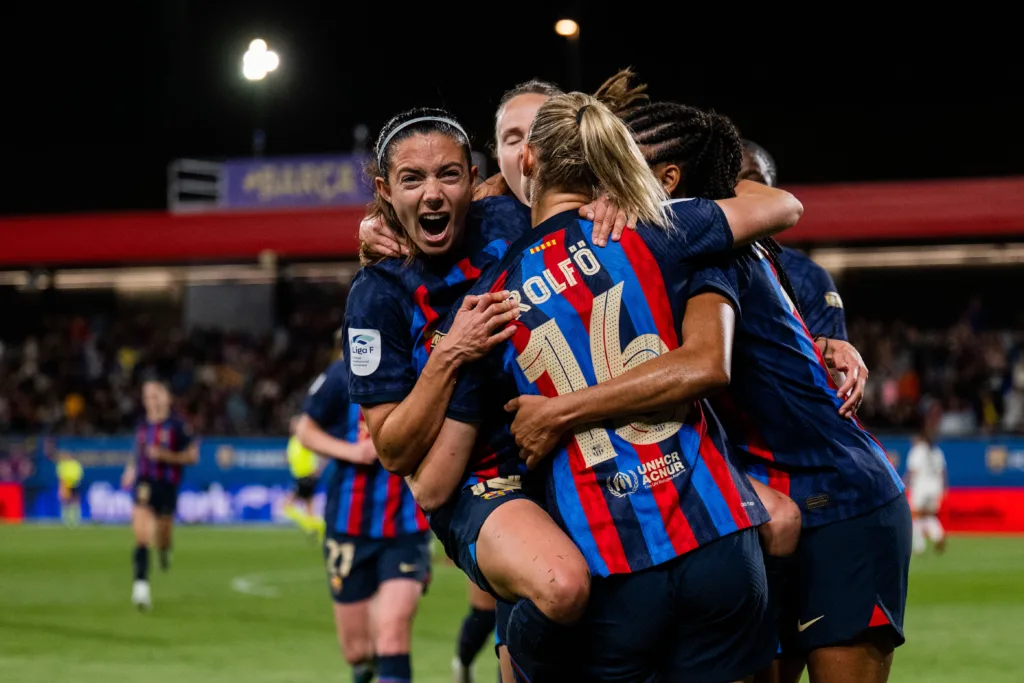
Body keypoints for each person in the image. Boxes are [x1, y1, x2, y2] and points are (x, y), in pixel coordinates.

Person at [510, 101, 908, 683]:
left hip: (840, 502)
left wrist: (559, 411)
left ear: (667, 180)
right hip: (753, 509)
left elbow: (704, 362)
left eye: (622, 162)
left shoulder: (691, 240)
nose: (606, 176)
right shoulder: (639, 248)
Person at [415, 92, 802, 682]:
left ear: (528, 162)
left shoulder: (488, 304)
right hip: (719, 541)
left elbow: (436, 480)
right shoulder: (661, 228)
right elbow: (782, 207)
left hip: (611, 566)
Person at [297, 350, 430, 683]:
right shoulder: (341, 374)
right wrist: (353, 451)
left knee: (392, 631)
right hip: (348, 526)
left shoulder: (422, 368)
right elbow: (305, 429)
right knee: (358, 650)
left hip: (406, 526)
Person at [740, 139, 849, 342]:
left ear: (773, 191)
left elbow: (830, 368)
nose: (743, 192)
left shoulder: (807, 275)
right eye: (731, 182)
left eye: (754, 182)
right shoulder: (694, 262)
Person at [120, 379, 198, 610]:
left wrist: (165, 456)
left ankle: (164, 551)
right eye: (147, 396)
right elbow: (138, 452)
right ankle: (141, 587)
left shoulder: (178, 426)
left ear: (167, 398)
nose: (151, 401)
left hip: (167, 486)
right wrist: (130, 470)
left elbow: (192, 457)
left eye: (156, 395)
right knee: (142, 535)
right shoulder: (142, 425)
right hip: (144, 483)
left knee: (162, 537)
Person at [905, 402, 947, 554]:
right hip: (935, 487)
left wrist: (904, 483)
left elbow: (912, 471)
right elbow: (943, 471)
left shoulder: (917, 451)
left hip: (921, 486)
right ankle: (938, 535)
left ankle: (919, 545)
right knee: (928, 515)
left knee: (916, 515)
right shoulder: (936, 452)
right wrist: (944, 488)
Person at [283, 414, 326, 540]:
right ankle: (313, 529)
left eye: (294, 424)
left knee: (287, 506)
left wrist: (317, 468)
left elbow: (318, 452)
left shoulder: (304, 439)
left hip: (306, 476)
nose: (292, 427)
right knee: (309, 507)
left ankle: (314, 526)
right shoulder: (294, 440)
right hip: (301, 476)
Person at [56, 451, 83, 527]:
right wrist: (61, 487)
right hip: (65, 485)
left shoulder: (76, 464)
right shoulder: (62, 464)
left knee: (75, 502)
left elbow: (78, 475)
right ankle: (65, 519)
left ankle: (75, 519)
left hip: (74, 484)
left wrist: (72, 481)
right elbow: (61, 477)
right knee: (65, 502)